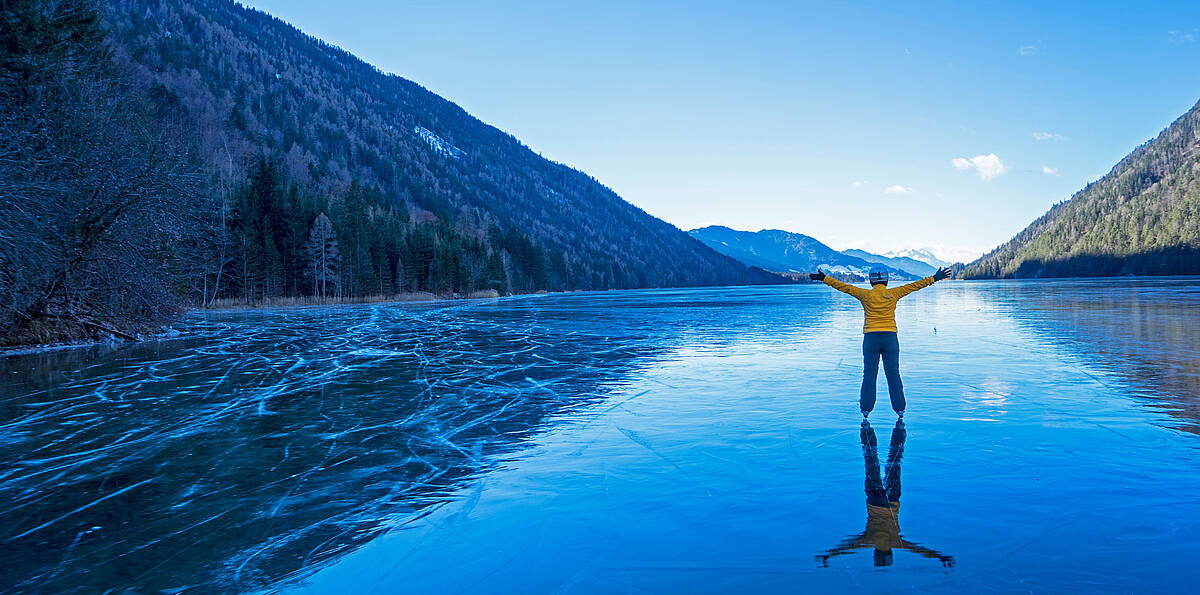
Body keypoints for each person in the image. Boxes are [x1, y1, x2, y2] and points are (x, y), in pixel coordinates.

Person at [809, 265, 951, 417]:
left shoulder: (864, 294)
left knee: (869, 375)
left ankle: (865, 410)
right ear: (887, 280)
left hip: (871, 339)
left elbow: (845, 287)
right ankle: (900, 410)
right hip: (890, 339)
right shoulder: (894, 293)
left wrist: (824, 278)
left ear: (871, 281)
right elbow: (914, 286)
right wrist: (935, 278)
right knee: (893, 375)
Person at [816, 419, 953, 568]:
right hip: (874, 499)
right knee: (871, 460)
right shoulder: (870, 541)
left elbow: (918, 549)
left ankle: (899, 429)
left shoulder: (895, 542)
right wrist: (830, 554)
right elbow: (848, 546)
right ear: (876, 552)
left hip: (892, 499)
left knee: (894, 461)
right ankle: (867, 428)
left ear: (890, 552)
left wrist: (939, 556)